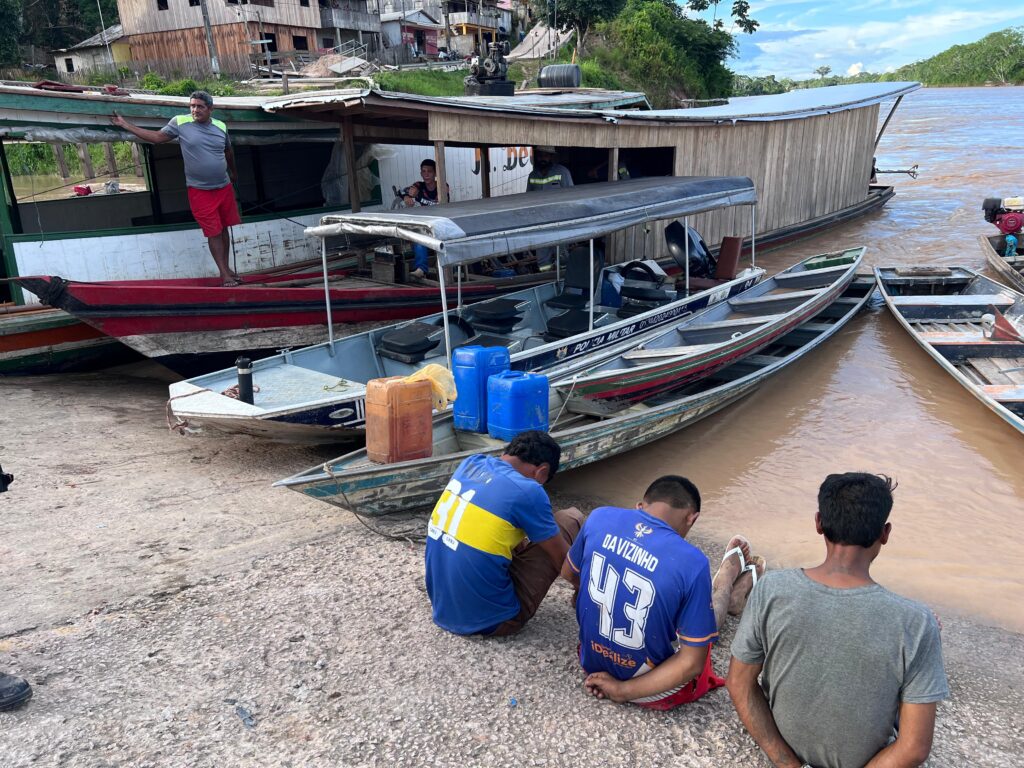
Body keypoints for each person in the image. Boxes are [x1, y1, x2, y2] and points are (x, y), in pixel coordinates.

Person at [727, 473, 948, 768]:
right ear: (885, 533)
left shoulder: (772, 589)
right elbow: (914, 748)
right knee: (919, 642)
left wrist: (789, 764)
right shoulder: (916, 622)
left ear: (818, 523)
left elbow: (738, 684)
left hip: (784, 750)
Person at [561, 475, 764, 710]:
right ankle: (726, 589)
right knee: (700, 632)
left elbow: (569, 573)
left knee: (675, 601)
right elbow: (692, 664)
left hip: (592, 661)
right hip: (645, 683)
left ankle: (728, 591)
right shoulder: (692, 561)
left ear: (640, 506)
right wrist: (622, 690)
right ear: (692, 518)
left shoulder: (599, 517)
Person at [425, 430, 584, 636]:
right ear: (542, 472)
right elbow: (564, 561)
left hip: (444, 607)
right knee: (570, 519)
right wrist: (587, 593)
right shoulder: (529, 490)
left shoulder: (471, 463)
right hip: (493, 620)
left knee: (511, 526)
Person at [111, 91, 242, 286]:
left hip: (223, 187)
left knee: (224, 229)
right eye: (192, 106)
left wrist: (233, 173)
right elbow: (156, 137)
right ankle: (224, 274)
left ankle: (228, 268)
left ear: (210, 109)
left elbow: (228, 151)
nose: (195, 110)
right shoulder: (180, 122)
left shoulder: (221, 126)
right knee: (213, 231)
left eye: (200, 106)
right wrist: (125, 124)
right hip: (200, 191)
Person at [526, 146, 574, 271]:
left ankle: (564, 276)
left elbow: (572, 196)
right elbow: (527, 199)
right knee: (542, 255)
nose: (543, 158)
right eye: (540, 155)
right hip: (540, 222)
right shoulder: (532, 175)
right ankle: (545, 279)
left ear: (551, 157)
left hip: (560, 221)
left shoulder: (562, 172)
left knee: (562, 252)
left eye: (546, 156)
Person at [402, 158, 449, 279]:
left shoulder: (443, 186)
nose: (426, 174)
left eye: (429, 171)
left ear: (435, 173)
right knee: (419, 239)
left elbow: (445, 193)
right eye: (423, 171)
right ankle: (421, 269)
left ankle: (447, 271)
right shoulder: (419, 186)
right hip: (425, 226)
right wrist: (407, 197)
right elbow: (408, 191)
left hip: (440, 225)